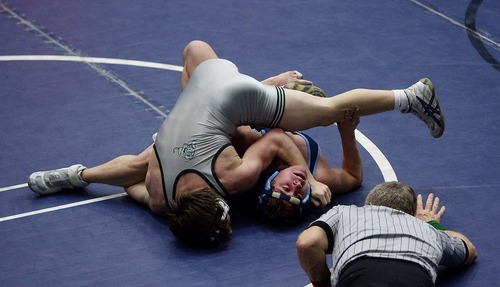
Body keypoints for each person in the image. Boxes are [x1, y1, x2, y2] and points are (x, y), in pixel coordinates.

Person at [29, 40, 445, 247]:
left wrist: (316, 184)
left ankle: (410, 97)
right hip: (200, 97)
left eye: (225, 225)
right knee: (193, 50)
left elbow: (277, 137)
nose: (233, 228)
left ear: (222, 206)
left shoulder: (234, 179)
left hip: (232, 101)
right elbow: (131, 180)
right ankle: (75, 173)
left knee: (332, 108)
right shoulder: (159, 197)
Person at [296, 182, 477, 287]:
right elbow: (469, 249)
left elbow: (307, 243)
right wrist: (432, 223)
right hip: (415, 279)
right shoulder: (428, 231)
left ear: (370, 204)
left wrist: (324, 284)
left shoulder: (346, 212)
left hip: (358, 277)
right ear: (410, 214)